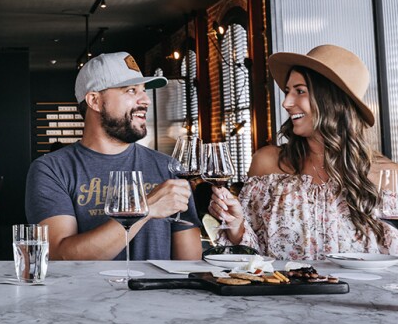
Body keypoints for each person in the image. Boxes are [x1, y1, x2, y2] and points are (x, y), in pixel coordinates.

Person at [210, 44, 398, 260]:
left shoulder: (388, 176)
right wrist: (236, 227)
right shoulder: (268, 164)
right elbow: (250, 259)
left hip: (360, 294)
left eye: (300, 91)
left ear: (332, 100)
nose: (286, 102)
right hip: (282, 293)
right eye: (288, 91)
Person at [26, 52, 202, 260]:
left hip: (157, 293)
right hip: (85, 293)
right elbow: (59, 256)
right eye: (131, 91)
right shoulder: (52, 169)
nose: (145, 100)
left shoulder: (168, 167)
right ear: (95, 101)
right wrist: (144, 209)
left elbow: (189, 264)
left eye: (144, 91)